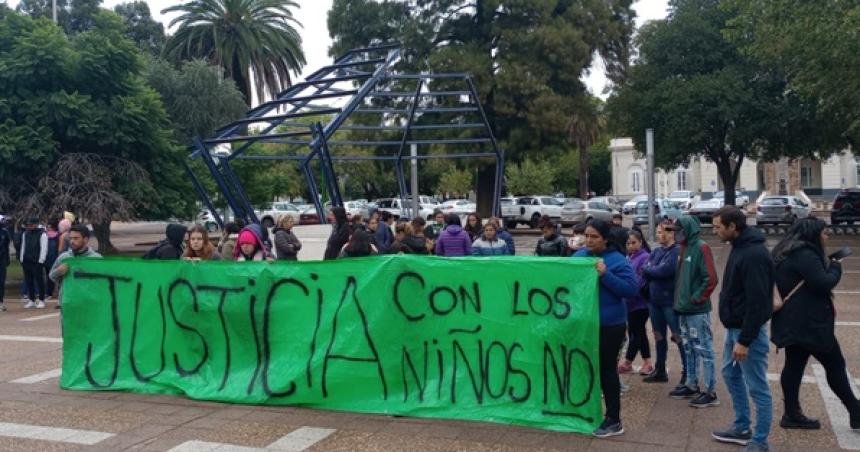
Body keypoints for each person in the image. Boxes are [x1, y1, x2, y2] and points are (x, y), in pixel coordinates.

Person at [771, 218, 860, 430]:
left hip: (792, 320)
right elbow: (823, 282)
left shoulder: (783, 251)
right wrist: (836, 267)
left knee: (794, 366)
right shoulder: (805, 254)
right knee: (835, 364)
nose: (826, 236)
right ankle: (855, 410)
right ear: (812, 234)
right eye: (824, 233)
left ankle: (791, 414)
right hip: (811, 323)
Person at [711, 206, 773, 452]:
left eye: (718, 227)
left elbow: (758, 302)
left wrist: (745, 340)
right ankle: (742, 426)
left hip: (748, 332)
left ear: (732, 227)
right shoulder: (740, 247)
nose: (715, 231)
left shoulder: (753, 254)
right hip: (735, 328)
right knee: (729, 373)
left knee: (758, 387)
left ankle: (759, 441)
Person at [573, 219, 639, 438]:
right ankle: (583, 410)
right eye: (587, 236)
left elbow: (631, 290)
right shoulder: (578, 257)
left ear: (605, 239)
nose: (589, 240)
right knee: (584, 367)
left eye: (594, 237)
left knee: (606, 370)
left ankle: (613, 419)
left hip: (610, 325)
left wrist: (605, 275)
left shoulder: (617, 260)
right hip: (584, 324)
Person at [669, 215, 720, 408]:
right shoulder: (684, 248)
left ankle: (710, 390)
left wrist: (696, 298)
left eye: (678, 231)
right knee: (689, 347)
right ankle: (691, 383)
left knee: (704, 348)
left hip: (696, 310)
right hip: (684, 308)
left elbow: (711, 278)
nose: (675, 235)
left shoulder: (701, 247)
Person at [641, 220, 685, 386]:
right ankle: (660, 369)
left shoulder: (675, 252)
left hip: (669, 302)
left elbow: (664, 271)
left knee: (678, 336)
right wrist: (651, 270)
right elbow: (645, 268)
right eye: (658, 232)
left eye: (661, 232)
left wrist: (651, 270)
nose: (659, 235)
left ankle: (687, 372)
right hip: (654, 301)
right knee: (659, 336)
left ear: (671, 233)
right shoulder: (657, 251)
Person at [618, 229, 653, 376]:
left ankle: (628, 362)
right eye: (628, 243)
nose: (631, 246)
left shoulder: (645, 257)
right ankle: (647, 362)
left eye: (634, 242)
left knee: (636, 333)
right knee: (638, 332)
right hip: (629, 302)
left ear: (640, 242)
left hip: (641, 303)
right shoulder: (629, 257)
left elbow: (640, 280)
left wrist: (629, 289)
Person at [49, 224, 101, 307]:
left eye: (76, 238)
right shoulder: (64, 257)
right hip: (68, 304)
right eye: (70, 238)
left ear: (86, 239)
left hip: (89, 304)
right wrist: (58, 271)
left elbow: (102, 282)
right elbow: (51, 276)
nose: (72, 241)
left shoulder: (96, 259)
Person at [19, 217, 48, 309]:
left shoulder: (42, 234)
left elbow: (44, 248)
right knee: (29, 281)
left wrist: (41, 260)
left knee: (39, 281)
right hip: (27, 260)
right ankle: (32, 300)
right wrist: (21, 258)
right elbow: (23, 246)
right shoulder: (25, 233)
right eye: (27, 225)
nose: (29, 226)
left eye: (31, 224)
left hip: (37, 261)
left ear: (36, 224)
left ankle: (42, 299)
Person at [43, 220, 60, 300]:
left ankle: (51, 292)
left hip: (54, 258)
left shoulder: (58, 236)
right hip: (46, 258)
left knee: (53, 275)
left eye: (49, 226)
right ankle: (48, 292)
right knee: (48, 275)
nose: (48, 228)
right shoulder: (45, 235)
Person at [0, 216, 11, 312]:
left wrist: (7, 259)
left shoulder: (5, 232)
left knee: (1, 282)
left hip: (2, 260)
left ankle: (1, 301)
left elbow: (6, 247)